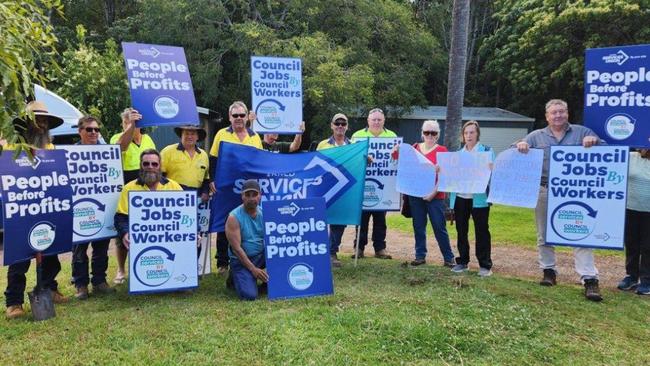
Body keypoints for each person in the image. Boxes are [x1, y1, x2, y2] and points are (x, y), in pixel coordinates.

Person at [515, 99, 603, 301]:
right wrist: (520, 144)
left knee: (581, 232)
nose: (558, 116)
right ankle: (549, 271)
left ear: (568, 113)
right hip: (545, 190)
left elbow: (607, 153)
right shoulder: (536, 136)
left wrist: (594, 143)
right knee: (543, 233)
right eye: (553, 113)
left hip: (575, 192)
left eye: (561, 112)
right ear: (547, 116)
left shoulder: (583, 132)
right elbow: (516, 150)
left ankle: (589, 278)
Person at [3, 100, 69, 319]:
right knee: (20, 257)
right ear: (26, 124)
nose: (41, 125)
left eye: (44, 121)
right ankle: (14, 302)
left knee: (50, 252)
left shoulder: (51, 148)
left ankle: (50, 287)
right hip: (21, 210)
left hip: (47, 208)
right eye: (37, 120)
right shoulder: (11, 146)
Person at [209, 101, 263, 274]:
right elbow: (213, 159)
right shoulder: (221, 134)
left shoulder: (255, 136)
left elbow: (260, 162)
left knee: (248, 220)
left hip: (247, 187)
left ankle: (248, 257)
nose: (239, 118)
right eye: (235, 115)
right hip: (227, 186)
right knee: (225, 220)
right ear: (229, 117)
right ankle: (222, 263)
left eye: (242, 115)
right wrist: (211, 179)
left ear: (247, 117)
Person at [71, 116, 115, 299]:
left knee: (101, 248)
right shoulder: (70, 153)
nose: (94, 133)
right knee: (79, 250)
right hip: (80, 210)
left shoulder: (107, 152)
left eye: (96, 130)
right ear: (80, 131)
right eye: (89, 129)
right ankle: (81, 285)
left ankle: (99, 281)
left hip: (101, 208)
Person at [110, 108, 155, 284]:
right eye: (126, 121)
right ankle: (121, 270)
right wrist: (130, 127)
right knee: (123, 232)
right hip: (126, 184)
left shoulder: (148, 139)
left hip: (146, 182)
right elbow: (123, 146)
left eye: (133, 121)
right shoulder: (117, 137)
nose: (129, 124)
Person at [448, 121, 494, 277]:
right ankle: (462, 262)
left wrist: (491, 169)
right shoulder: (458, 155)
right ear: (463, 136)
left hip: (479, 199)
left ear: (477, 134)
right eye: (466, 133)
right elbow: (450, 175)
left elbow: (493, 174)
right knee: (461, 230)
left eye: (472, 132)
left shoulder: (487, 151)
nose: (468, 136)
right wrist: (441, 170)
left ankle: (485, 265)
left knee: (481, 231)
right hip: (461, 198)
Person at [407, 120, 456, 268]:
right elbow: (402, 164)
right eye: (427, 132)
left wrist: (433, 193)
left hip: (436, 196)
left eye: (433, 133)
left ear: (438, 135)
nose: (430, 135)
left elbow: (446, 176)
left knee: (439, 227)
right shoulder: (414, 148)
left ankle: (449, 258)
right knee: (418, 226)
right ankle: (420, 256)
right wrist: (396, 149)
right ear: (422, 133)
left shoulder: (443, 151)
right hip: (416, 195)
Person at [113, 149, 183, 251]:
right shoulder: (129, 188)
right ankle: (121, 267)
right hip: (141, 236)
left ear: (160, 166)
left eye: (154, 164)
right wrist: (125, 233)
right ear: (141, 165)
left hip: (168, 235)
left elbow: (187, 213)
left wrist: (195, 231)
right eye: (146, 164)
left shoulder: (174, 186)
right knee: (121, 235)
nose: (150, 167)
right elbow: (121, 217)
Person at [350, 108, 396, 260]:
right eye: (373, 119)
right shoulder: (357, 136)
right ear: (368, 121)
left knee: (380, 220)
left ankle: (380, 248)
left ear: (384, 121)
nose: (376, 122)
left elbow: (395, 161)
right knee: (361, 219)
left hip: (383, 185)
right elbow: (352, 159)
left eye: (379, 120)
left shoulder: (392, 136)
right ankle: (359, 248)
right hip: (363, 185)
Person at [316, 113, 352, 268]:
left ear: (347, 126)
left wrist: (367, 159)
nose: (340, 126)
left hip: (343, 190)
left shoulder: (354, 145)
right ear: (331, 125)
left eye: (343, 123)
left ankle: (332, 251)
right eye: (337, 123)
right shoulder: (323, 144)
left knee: (339, 222)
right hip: (324, 188)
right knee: (320, 221)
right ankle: (318, 250)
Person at [224, 179, 268, 300]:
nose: (251, 198)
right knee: (249, 296)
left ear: (260, 196)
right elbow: (236, 249)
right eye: (247, 195)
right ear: (242, 196)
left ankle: (262, 282)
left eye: (254, 195)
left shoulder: (266, 214)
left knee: (280, 279)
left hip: (260, 256)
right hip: (241, 259)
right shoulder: (234, 217)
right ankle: (236, 277)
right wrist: (253, 269)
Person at [618, 149, 650, 295]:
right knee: (631, 243)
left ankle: (646, 280)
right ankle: (631, 276)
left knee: (647, 246)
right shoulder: (629, 156)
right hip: (630, 208)